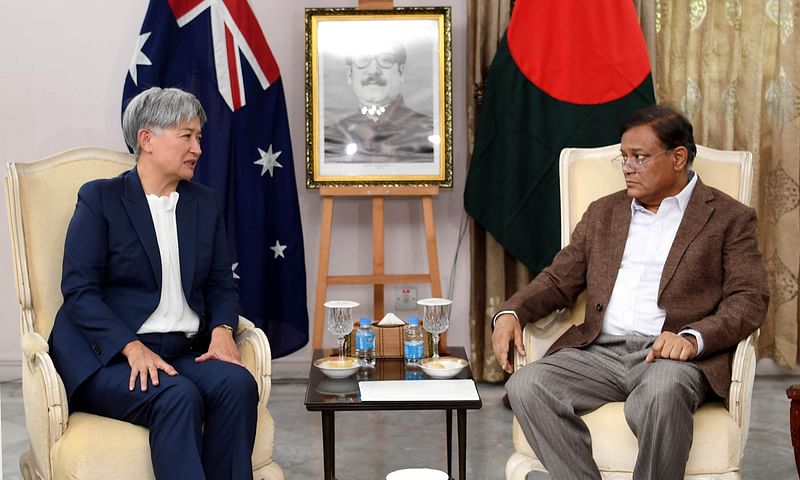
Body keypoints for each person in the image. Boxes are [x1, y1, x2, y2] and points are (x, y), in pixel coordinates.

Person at [491, 105, 770, 480]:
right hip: (600, 354)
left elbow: (749, 299)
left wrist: (692, 338)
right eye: (624, 157)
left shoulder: (728, 217)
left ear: (678, 158)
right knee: (527, 384)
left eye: (639, 158)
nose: (627, 167)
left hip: (671, 358)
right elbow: (559, 280)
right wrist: (512, 312)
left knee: (662, 391)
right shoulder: (603, 213)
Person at [49, 87, 257, 479]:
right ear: (146, 139)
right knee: (178, 396)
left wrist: (222, 330)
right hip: (109, 358)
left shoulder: (204, 203)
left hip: (182, 353)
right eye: (186, 136)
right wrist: (131, 347)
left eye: (199, 137)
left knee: (237, 385)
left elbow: (219, 284)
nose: (197, 147)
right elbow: (79, 291)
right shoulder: (100, 200)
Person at [324, 40, 436, 163]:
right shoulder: (330, 136)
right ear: (350, 74)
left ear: (401, 73)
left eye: (385, 60)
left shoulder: (428, 131)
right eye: (363, 60)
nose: (373, 71)